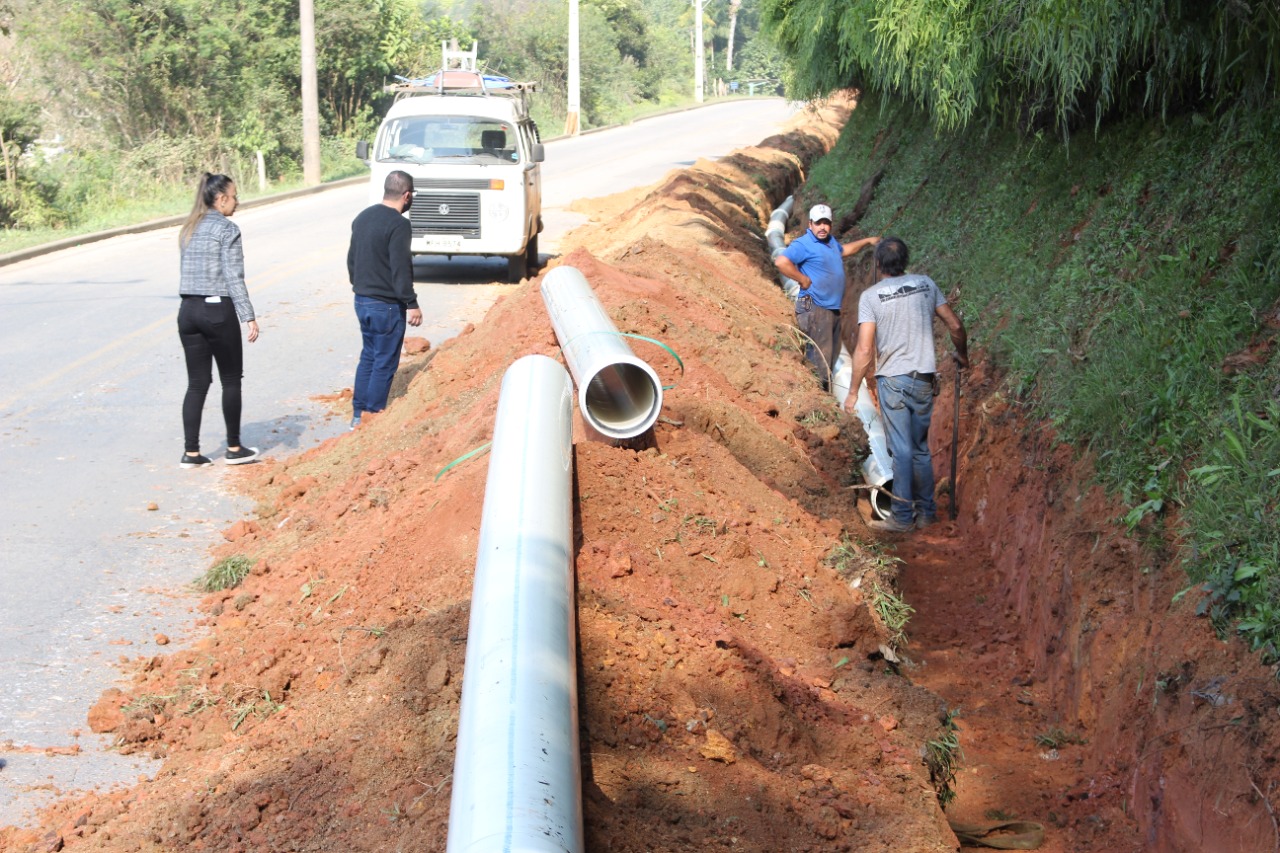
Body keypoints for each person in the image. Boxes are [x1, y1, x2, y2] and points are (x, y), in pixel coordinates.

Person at [846, 237, 968, 532]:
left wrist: (852, 391)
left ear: (877, 264)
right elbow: (954, 325)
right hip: (924, 378)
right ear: (906, 260)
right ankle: (926, 513)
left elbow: (863, 350)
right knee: (920, 449)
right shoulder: (926, 284)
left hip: (894, 382)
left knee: (900, 450)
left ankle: (902, 517)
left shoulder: (872, 297)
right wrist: (962, 354)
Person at [177, 172, 260, 468]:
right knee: (230, 379)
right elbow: (233, 277)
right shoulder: (227, 229)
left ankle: (192, 452)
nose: (237, 202)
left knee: (197, 383)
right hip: (216, 310)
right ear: (221, 199)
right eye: (235, 196)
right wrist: (248, 316)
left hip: (187, 311)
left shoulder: (188, 228)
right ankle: (234, 447)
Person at [347, 170, 423, 429]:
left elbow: (352, 261)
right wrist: (411, 303)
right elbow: (401, 267)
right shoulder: (399, 224)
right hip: (387, 306)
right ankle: (373, 417)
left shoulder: (362, 217)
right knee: (384, 361)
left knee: (368, 356)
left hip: (362, 299)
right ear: (407, 195)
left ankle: (358, 415)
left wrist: (360, 287)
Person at [774, 204, 879, 389]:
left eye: (826, 223)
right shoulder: (803, 244)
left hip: (829, 309)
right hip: (815, 306)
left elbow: (845, 250)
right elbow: (781, 261)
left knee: (830, 356)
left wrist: (867, 241)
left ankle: (822, 392)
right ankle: (816, 396)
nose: (822, 227)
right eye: (818, 223)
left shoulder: (830, 243)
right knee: (820, 359)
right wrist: (802, 278)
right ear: (810, 224)